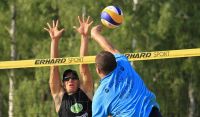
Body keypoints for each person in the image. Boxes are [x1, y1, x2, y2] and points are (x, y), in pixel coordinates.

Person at [90, 25, 162, 117]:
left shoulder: (100, 96)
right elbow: (110, 49)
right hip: (152, 112)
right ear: (115, 61)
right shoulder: (123, 63)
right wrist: (95, 34)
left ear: (98, 70)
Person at [44, 16, 93, 117]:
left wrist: (84, 36)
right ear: (63, 84)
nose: (71, 80)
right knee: (53, 70)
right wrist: (54, 41)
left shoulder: (86, 91)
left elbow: (83, 66)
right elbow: (54, 67)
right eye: (67, 79)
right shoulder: (60, 97)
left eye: (74, 78)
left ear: (79, 82)